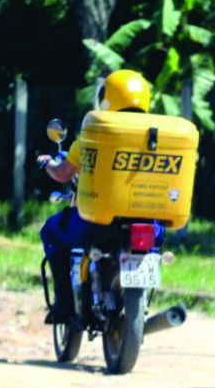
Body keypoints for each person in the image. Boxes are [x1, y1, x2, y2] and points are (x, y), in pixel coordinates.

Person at [37, 69, 152, 324]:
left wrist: (46, 164)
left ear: (108, 99)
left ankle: (64, 305)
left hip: (97, 222)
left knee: (51, 231)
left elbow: (64, 173)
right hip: (149, 222)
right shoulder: (160, 135)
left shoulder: (93, 134)